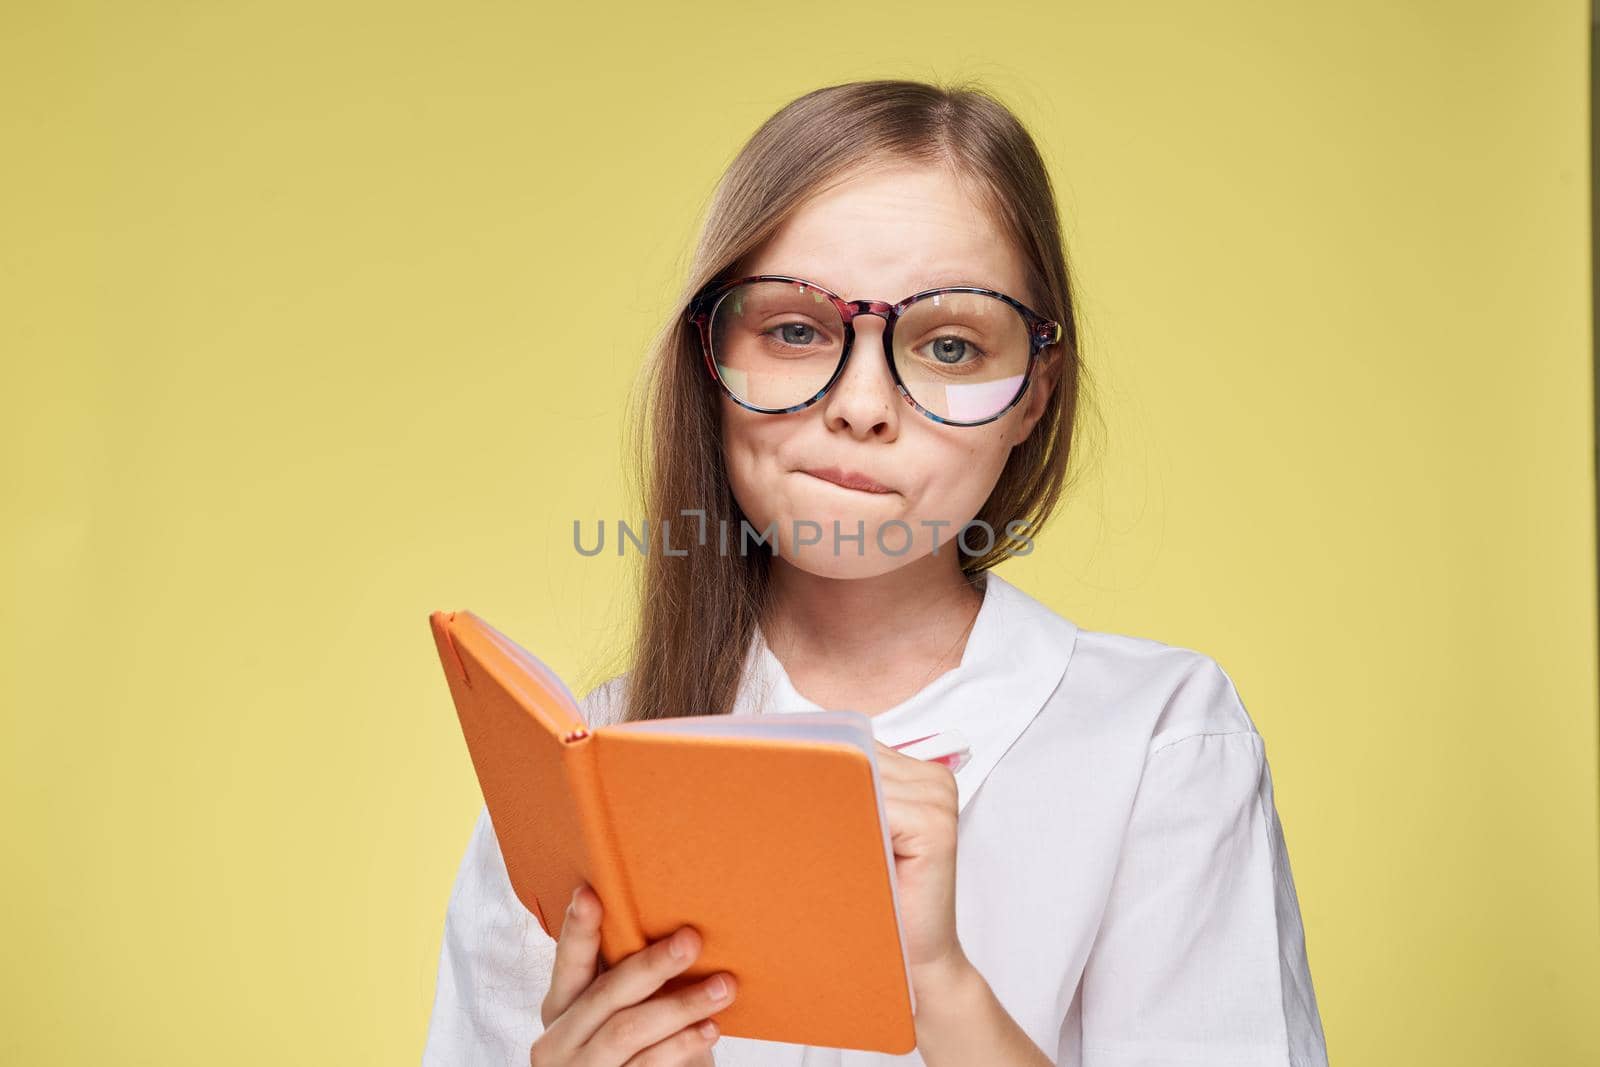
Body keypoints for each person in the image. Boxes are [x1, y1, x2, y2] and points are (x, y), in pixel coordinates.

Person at [422, 78, 1329, 1067]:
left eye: (947, 343)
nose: (861, 404)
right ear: (708, 352)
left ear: (1033, 394)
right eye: (796, 329)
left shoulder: (1163, 743)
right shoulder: (570, 794)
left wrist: (939, 986)